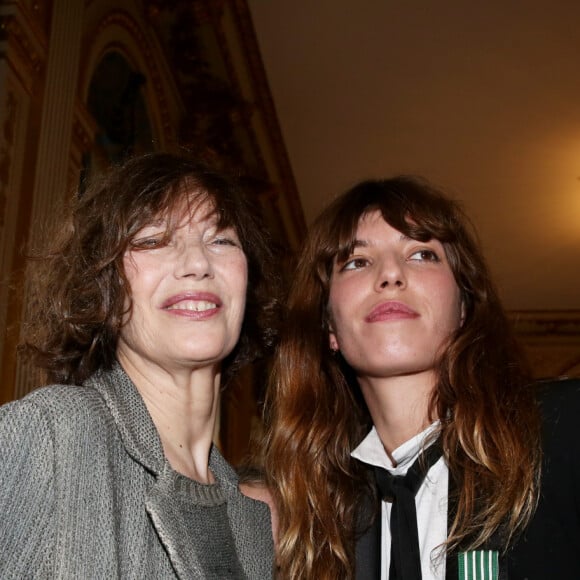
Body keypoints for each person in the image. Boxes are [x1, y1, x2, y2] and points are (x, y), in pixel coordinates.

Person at [262, 176, 580, 579]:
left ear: (463, 307)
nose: (391, 275)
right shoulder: (317, 521)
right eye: (357, 262)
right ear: (329, 325)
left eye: (421, 254)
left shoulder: (563, 431)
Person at [0, 152, 279, 578]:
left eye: (220, 240)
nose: (197, 264)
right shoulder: (53, 435)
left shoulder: (254, 523)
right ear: (103, 287)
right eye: (152, 240)